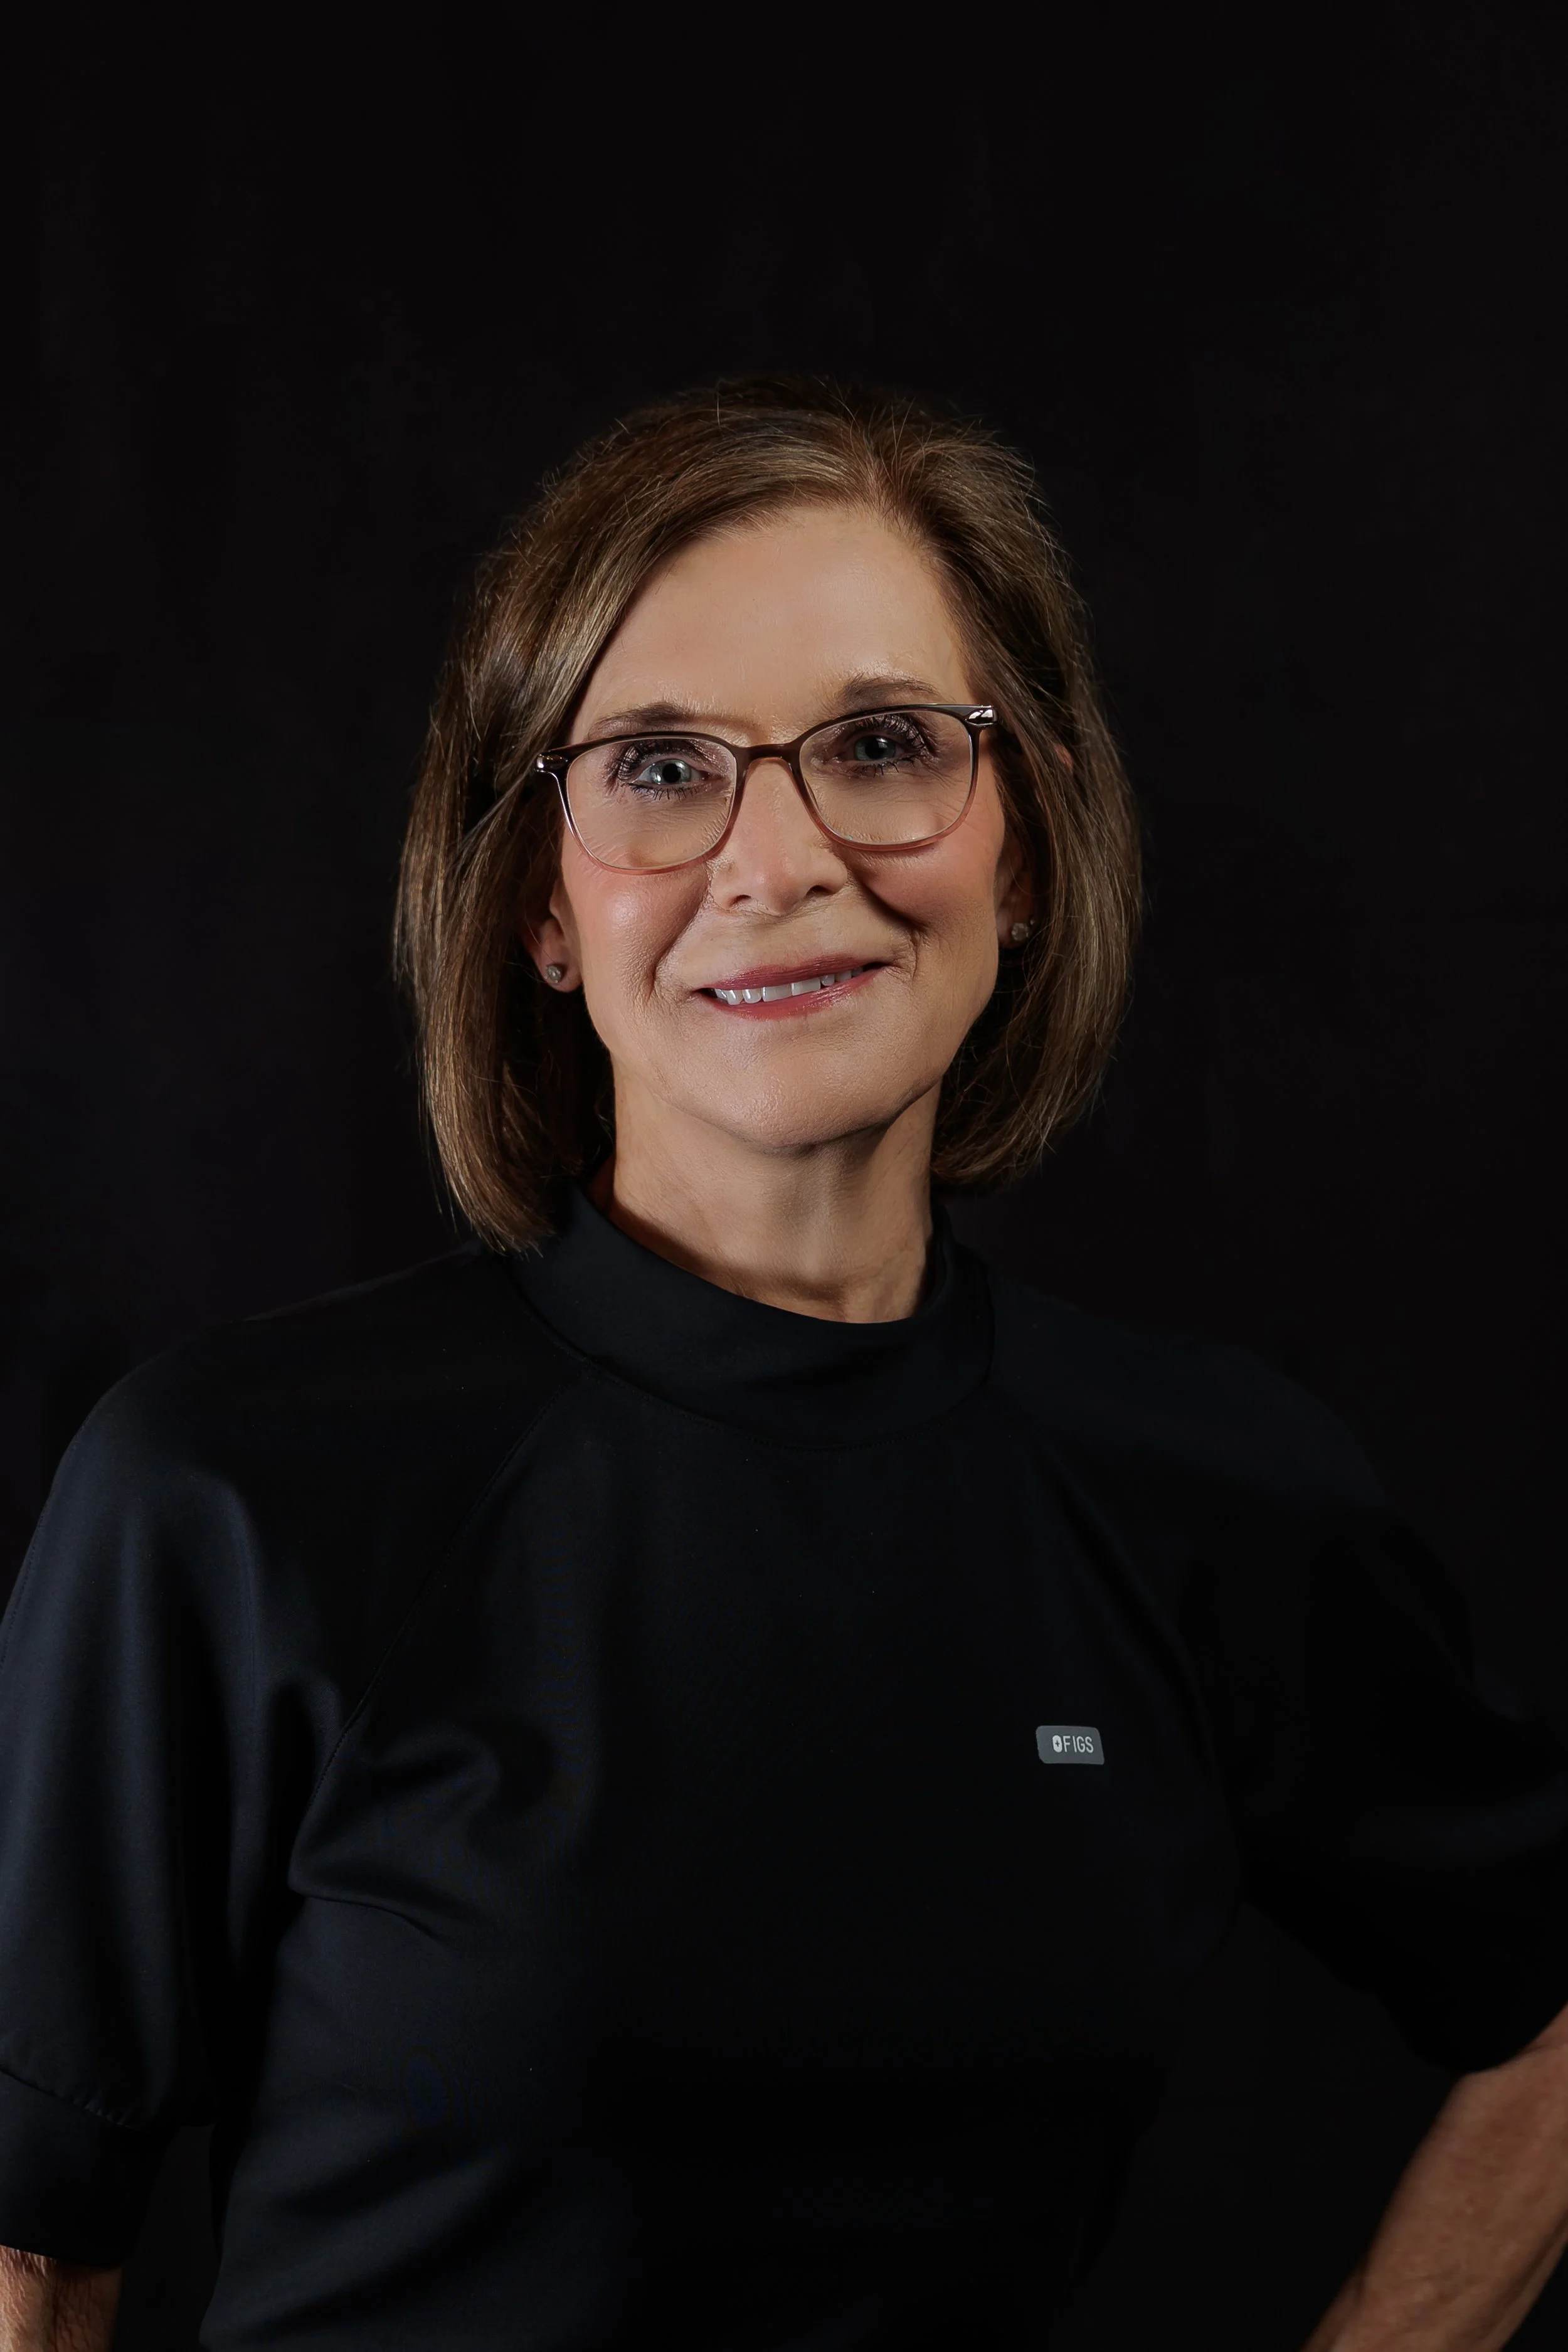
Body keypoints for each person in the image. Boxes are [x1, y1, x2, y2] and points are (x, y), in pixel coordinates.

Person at [3, 379, 1567, 2352]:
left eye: (885, 745)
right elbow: (28, 2245)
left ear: (1026, 851)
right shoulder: (232, 1490)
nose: (776, 856)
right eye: (659, 767)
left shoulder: (1207, 1490)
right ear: (540, 908)